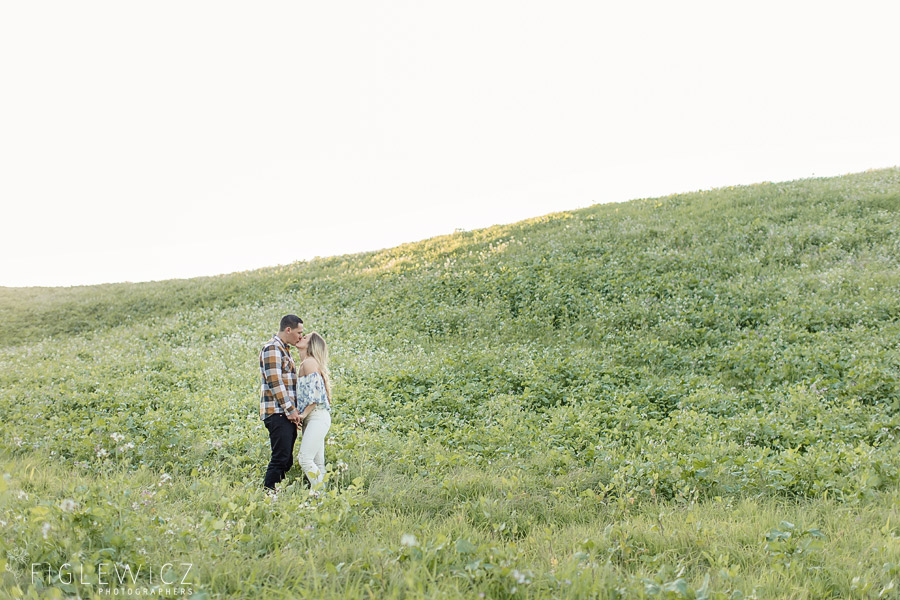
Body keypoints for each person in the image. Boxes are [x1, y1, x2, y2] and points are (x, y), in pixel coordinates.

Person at [260, 315, 304, 491]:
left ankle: (276, 492)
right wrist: (290, 409)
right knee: (280, 457)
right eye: (299, 332)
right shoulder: (272, 348)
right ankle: (268, 494)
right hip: (277, 411)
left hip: (285, 412)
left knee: (286, 459)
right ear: (288, 330)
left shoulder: (284, 349)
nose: (300, 336)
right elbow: (275, 382)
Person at [295, 332, 333, 493]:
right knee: (318, 463)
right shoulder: (307, 363)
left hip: (316, 416)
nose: (301, 338)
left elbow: (315, 394)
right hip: (315, 418)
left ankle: (320, 495)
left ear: (311, 345)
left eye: (305, 338)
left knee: (304, 459)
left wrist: (302, 414)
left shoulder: (309, 363)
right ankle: (320, 499)